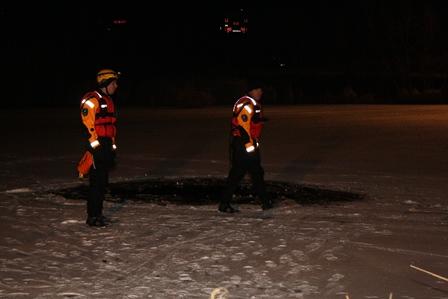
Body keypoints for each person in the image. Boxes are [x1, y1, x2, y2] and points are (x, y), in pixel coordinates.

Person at [218, 79, 273, 213]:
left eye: (260, 90)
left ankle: (225, 203)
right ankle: (265, 202)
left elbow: (247, 123)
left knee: (245, 174)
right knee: (251, 173)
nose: (260, 92)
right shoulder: (247, 104)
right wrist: (250, 147)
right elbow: (243, 128)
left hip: (245, 145)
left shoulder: (252, 104)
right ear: (250, 91)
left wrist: (258, 120)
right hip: (245, 146)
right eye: (257, 90)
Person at [79, 69, 119, 227]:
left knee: (102, 182)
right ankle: (92, 217)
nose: (116, 86)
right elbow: (87, 125)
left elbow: (111, 127)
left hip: (106, 145)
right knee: (96, 183)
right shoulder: (92, 100)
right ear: (105, 83)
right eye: (114, 83)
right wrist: (95, 146)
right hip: (97, 146)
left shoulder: (108, 100)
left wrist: (112, 147)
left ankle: (98, 214)